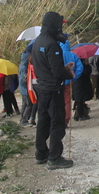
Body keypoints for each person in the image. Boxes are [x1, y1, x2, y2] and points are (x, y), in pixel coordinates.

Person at [31, 11, 75, 170]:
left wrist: (63, 69)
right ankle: (54, 158)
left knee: (43, 121)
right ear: (54, 25)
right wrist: (68, 72)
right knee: (57, 122)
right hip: (53, 88)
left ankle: (41, 153)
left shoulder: (38, 42)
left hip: (42, 87)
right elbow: (57, 72)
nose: (60, 29)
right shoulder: (52, 44)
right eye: (60, 25)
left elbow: (48, 67)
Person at [59, 39, 83, 126]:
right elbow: (80, 68)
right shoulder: (73, 55)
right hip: (68, 82)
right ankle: (66, 119)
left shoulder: (57, 55)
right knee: (67, 101)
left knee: (58, 101)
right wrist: (74, 77)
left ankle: (59, 119)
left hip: (58, 82)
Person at [18, 47, 33, 127]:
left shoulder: (21, 65)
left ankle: (22, 119)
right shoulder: (24, 67)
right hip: (25, 89)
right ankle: (24, 120)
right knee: (29, 104)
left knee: (24, 104)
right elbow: (22, 79)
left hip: (22, 89)